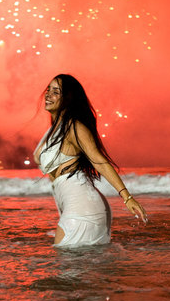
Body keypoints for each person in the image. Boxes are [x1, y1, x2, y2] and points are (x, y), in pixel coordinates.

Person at [33, 74, 148, 247]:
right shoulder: (55, 129)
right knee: (75, 269)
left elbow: (100, 162)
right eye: (48, 90)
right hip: (74, 205)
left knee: (67, 268)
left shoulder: (74, 127)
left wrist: (127, 197)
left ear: (68, 99)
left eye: (56, 92)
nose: (48, 95)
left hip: (83, 207)